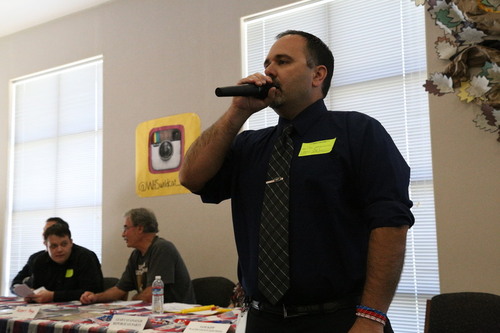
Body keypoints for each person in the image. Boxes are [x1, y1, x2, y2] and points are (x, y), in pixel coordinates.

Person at [179, 30, 415, 333]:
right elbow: (191, 177)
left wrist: (371, 317)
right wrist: (236, 112)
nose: (268, 71)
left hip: (341, 319)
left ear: (317, 75)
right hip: (263, 320)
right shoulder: (250, 145)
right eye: (266, 64)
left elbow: (390, 223)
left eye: (283, 61)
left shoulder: (357, 131)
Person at [80, 208, 195, 305]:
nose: (123, 234)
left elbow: (151, 294)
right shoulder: (136, 255)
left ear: (140, 228)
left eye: (126, 228)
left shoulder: (162, 248)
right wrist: (95, 297)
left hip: (175, 314)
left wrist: (133, 300)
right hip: (151, 313)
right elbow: (119, 289)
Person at [27, 223, 103, 303]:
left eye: (64, 244)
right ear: (46, 245)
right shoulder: (40, 261)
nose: (59, 249)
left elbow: (93, 292)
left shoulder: (86, 257)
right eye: (54, 246)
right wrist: (32, 296)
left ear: (71, 242)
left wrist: (53, 296)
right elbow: (38, 289)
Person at [10, 217, 70, 294]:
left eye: (49, 230)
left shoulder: (79, 257)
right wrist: (24, 291)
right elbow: (17, 282)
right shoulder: (35, 258)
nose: (44, 233)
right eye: (44, 230)